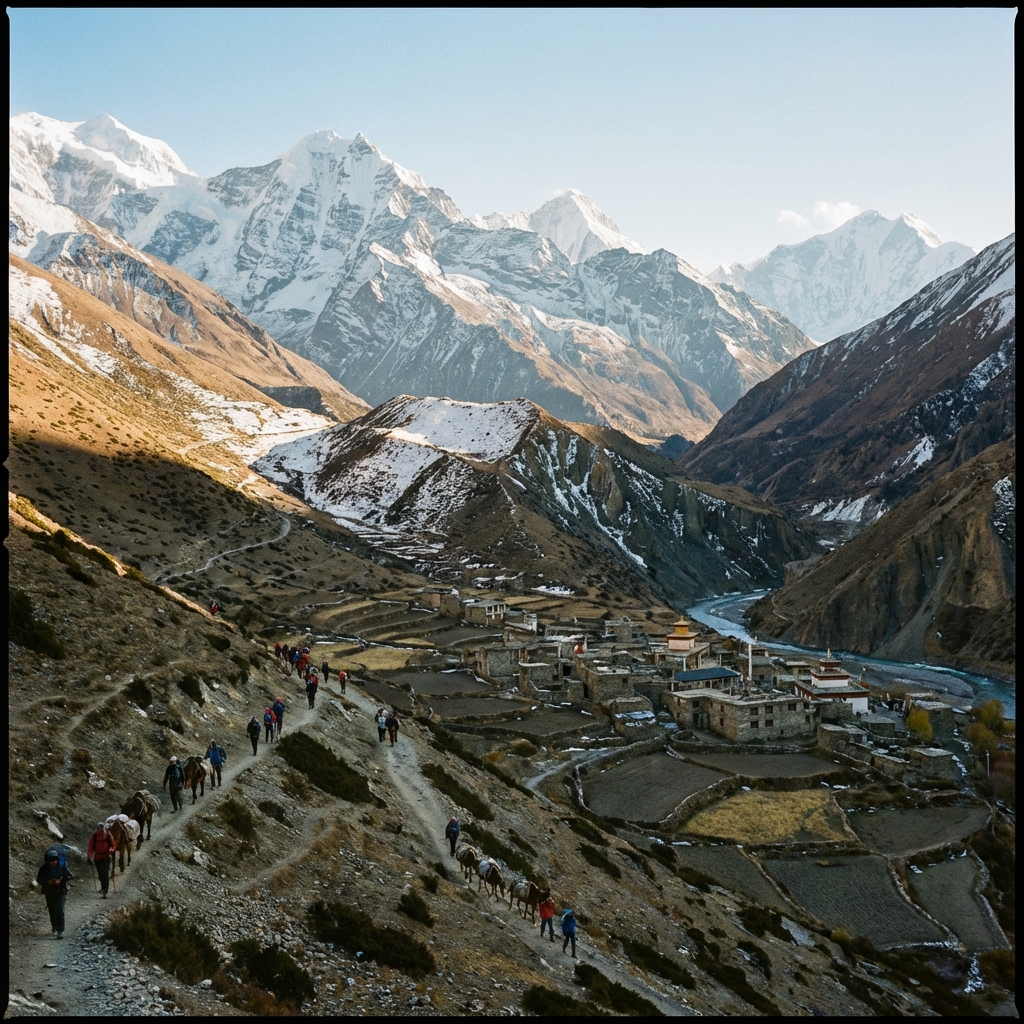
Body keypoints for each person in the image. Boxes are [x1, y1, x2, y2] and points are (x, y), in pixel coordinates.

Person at [36, 847, 72, 938]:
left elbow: (68, 876)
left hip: (61, 891)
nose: (54, 862)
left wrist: (60, 881)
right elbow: (39, 880)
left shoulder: (62, 866)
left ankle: (60, 930)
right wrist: (47, 882)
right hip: (49, 892)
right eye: (51, 861)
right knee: (52, 910)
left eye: (55, 860)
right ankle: (54, 927)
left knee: (60, 909)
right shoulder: (43, 868)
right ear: (47, 861)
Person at [87, 823, 116, 898]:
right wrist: (89, 857)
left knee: (105, 874)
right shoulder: (95, 836)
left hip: (105, 858)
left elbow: (113, 845)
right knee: (101, 875)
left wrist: (110, 851)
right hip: (99, 858)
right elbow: (91, 847)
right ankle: (103, 888)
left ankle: (104, 890)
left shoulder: (107, 835)